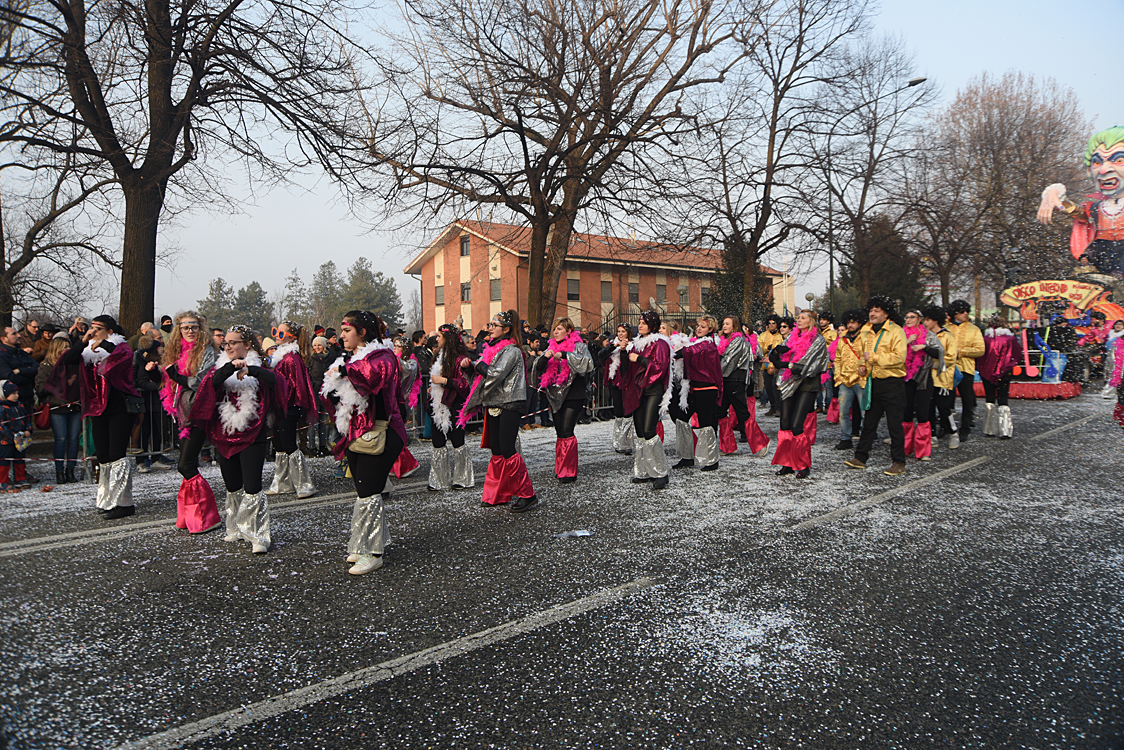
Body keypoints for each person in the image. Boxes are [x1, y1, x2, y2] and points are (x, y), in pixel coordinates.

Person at [321, 310, 407, 573]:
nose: (341, 335)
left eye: (347, 330)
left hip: (382, 431)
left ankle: (374, 552)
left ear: (363, 332)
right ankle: (364, 542)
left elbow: (372, 376)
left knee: (370, 490)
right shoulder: (351, 358)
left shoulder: (382, 355)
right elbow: (338, 398)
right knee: (362, 491)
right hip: (358, 432)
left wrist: (345, 370)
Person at [189, 326, 282, 553]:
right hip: (224, 436)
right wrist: (230, 368)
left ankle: (258, 535)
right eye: (226, 343)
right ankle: (238, 526)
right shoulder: (219, 368)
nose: (228, 346)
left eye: (233, 342)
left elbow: (277, 383)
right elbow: (208, 386)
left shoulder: (260, 366)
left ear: (247, 344)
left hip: (253, 435)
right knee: (232, 486)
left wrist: (252, 370)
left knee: (252, 486)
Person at [457, 309, 537, 511]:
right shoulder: (492, 348)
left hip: (509, 403)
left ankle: (527, 494)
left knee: (508, 449)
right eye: (490, 324)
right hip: (493, 403)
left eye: (494, 325)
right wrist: (469, 368)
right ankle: (499, 493)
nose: (490, 329)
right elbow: (481, 378)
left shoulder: (512, 350)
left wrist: (478, 365)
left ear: (507, 329)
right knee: (497, 450)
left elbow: (494, 374)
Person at [160, 311, 222, 534]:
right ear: (178, 330)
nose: (190, 331)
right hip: (184, 413)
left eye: (194, 327)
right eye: (185, 328)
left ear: (200, 328)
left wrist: (176, 377)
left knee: (185, 465)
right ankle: (189, 516)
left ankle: (208, 517)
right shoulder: (177, 351)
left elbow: (202, 382)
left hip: (199, 411)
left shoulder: (206, 350)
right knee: (187, 465)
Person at [1037, 126, 1124, 277]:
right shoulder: (1098, 207)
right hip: (1102, 248)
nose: (1103, 170)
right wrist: (1056, 195)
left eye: (1119, 160)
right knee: (1095, 269)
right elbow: (1077, 213)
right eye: (1097, 162)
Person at [79, 316, 139, 519]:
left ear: (110, 331)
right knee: (102, 455)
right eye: (91, 328)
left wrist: (103, 343)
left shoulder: (122, 347)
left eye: (98, 328)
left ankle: (124, 503)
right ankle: (106, 499)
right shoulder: (88, 352)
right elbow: (68, 359)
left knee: (117, 454)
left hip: (119, 407)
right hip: (98, 408)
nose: (93, 332)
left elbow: (121, 356)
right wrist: (82, 341)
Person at [844, 296, 908, 476]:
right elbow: (862, 357)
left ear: (886, 313)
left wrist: (873, 358)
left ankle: (898, 462)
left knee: (894, 424)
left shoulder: (896, 331)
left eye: (877, 310)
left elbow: (899, 357)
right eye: (871, 310)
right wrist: (862, 368)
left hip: (892, 383)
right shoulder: (866, 331)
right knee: (869, 422)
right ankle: (860, 457)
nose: (872, 313)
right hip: (874, 382)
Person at [770, 311, 829, 478]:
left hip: (807, 385)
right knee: (785, 423)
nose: (799, 320)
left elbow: (810, 367)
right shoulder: (792, 337)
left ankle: (802, 464)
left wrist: (788, 364)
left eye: (803, 317)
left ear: (812, 321)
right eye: (798, 318)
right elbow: (777, 355)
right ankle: (787, 463)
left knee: (797, 425)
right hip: (790, 383)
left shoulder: (818, 340)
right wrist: (774, 353)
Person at [264, 321, 318, 498]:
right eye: (276, 332)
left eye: (280, 333)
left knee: (289, 445)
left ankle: (305, 484)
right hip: (279, 407)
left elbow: (296, 387)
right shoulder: (281, 357)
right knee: (279, 445)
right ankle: (283, 482)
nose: (276, 335)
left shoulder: (291, 358)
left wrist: (286, 405)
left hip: (289, 407)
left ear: (291, 337)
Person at [538, 317, 594, 484]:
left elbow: (587, 364)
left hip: (574, 394)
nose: (555, 332)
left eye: (560, 329)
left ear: (569, 331)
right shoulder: (550, 347)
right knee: (560, 432)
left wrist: (565, 355)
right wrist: (544, 358)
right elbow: (537, 369)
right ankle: (561, 467)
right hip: (555, 395)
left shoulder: (580, 346)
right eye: (555, 329)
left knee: (567, 430)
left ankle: (569, 471)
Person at [623, 310, 671, 489]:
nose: (640, 325)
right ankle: (643, 470)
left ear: (652, 325)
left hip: (653, 390)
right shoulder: (637, 343)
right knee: (641, 433)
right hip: (639, 391)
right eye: (639, 322)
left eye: (644, 322)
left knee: (650, 430)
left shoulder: (661, 343)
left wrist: (640, 359)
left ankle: (660, 472)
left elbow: (660, 367)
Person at [672, 316, 723, 472]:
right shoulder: (696, 342)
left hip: (707, 389)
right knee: (681, 419)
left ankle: (712, 460)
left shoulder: (708, 344)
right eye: (698, 326)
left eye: (703, 326)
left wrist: (674, 352)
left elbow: (689, 351)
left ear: (710, 329)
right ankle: (687, 456)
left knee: (706, 425)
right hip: (693, 389)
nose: (699, 328)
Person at [427, 324, 474, 491]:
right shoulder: (438, 356)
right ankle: (438, 480)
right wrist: (433, 388)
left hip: (454, 406)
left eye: (440, 336)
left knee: (457, 441)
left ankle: (462, 478)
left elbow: (466, 385)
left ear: (448, 339)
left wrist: (444, 381)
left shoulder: (460, 359)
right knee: (438, 442)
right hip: (437, 405)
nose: (437, 339)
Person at [717, 314, 767, 456]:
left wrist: (714, 369)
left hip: (735, 381)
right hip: (726, 381)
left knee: (742, 412)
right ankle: (728, 445)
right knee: (720, 412)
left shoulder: (738, 340)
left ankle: (761, 442)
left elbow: (728, 361)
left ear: (735, 326)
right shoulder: (724, 340)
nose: (724, 326)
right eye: (723, 323)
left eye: (728, 323)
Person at [36, 332, 82, 483]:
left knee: (73, 440)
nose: (68, 349)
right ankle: (59, 471)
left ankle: (71, 470)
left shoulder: (73, 364)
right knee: (60, 439)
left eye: (69, 346)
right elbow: (41, 387)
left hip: (74, 406)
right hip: (57, 407)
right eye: (65, 347)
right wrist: (64, 384)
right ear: (57, 349)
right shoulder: (46, 366)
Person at [902, 309, 943, 462]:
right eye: (906, 317)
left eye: (912, 317)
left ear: (919, 319)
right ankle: (905, 447)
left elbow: (940, 353)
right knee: (906, 413)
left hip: (924, 378)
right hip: (906, 378)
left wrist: (924, 347)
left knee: (923, 414)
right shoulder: (900, 335)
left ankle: (923, 450)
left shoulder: (929, 335)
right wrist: (906, 342)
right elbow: (892, 351)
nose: (908, 319)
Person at [947, 300, 985, 445]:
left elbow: (980, 350)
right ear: (955, 313)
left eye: (966, 311)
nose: (965, 314)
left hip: (966, 368)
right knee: (946, 400)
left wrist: (961, 352)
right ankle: (947, 427)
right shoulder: (946, 328)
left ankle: (965, 428)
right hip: (948, 368)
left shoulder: (973, 329)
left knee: (967, 399)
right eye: (962, 311)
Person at [979, 316, 1021, 439]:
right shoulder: (1010, 339)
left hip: (986, 373)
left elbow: (980, 357)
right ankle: (1005, 430)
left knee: (989, 399)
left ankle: (989, 429)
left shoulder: (985, 339)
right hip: (1005, 373)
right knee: (1003, 399)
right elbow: (1017, 355)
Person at [923, 306, 959, 449]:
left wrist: (932, 362)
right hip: (927, 378)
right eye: (924, 320)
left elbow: (950, 358)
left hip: (943, 379)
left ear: (935, 320)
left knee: (944, 408)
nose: (925, 323)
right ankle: (932, 436)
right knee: (928, 408)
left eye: (928, 320)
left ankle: (953, 432)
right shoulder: (924, 336)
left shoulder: (948, 336)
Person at [598, 324, 635, 455]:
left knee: (627, 412)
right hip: (615, 382)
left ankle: (628, 442)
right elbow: (600, 355)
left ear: (628, 333)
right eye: (618, 331)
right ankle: (619, 442)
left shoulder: (632, 346)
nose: (620, 334)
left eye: (623, 331)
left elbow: (627, 366)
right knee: (618, 411)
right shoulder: (612, 346)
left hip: (627, 383)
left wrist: (624, 350)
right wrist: (614, 346)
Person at [833, 309, 866, 451]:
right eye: (848, 323)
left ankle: (866, 438)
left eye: (853, 322)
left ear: (859, 323)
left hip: (861, 380)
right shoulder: (842, 339)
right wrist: (838, 376)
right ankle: (846, 438)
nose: (850, 325)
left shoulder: (865, 338)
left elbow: (867, 357)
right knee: (843, 411)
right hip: (844, 380)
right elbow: (838, 359)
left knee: (865, 411)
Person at [0, 381, 32, 490]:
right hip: (6, 440)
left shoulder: (20, 405)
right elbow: (1, 425)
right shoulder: (2, 407)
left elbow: (27, 418)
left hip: (20, 439)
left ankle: (20, 478)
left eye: (17, 393)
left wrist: (28, 430)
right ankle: (3, 480)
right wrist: (12, 435)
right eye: (13, 393)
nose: (16, 396)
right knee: (4, 460)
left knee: (20, 458)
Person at [0, 326, 39, 412]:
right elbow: (9, 377)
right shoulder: (2, 355)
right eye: (14, 334)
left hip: (28, 399)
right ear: (4, 339)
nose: (19, 336)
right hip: (11, 405)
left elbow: (38, 369)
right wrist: (29, 378)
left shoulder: (21, 353)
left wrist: (20, 371)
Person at [308, 335, 334, 455]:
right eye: (315, 345)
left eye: (319, 345)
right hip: (314, 392)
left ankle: (323, 445)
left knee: (324, 421)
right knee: (313, 421)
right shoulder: (311, 359)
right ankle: (312, 446)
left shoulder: (330, 358)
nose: (317, 347)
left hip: (327, 391)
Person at [758, 315, 783, 414]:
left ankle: (778, 407)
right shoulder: (762, 335)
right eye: (770, 323)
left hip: (777, 365)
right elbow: (759, 349)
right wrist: (766, 349)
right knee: (768, 387)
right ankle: (772, 406)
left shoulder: (780, 335)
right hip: (766, 365)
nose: (772, 325)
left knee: (776, 387)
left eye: (774, 323)